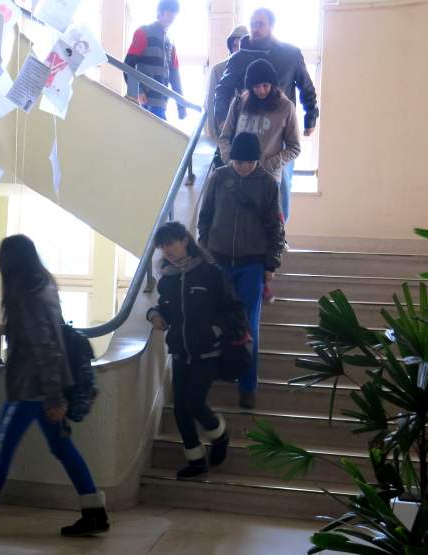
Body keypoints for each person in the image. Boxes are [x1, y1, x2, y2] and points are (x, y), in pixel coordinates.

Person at [0, 235, 110, 538]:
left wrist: (54, 397)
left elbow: (45, 347)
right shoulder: (44, 286)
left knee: (1, 449)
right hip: (42, 388)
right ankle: (94, 511)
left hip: (31, 390)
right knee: (62, 447)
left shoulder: (26, 295)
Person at [148, 222, 245, 479]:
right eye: (161, 245)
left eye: (170, 243)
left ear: (184, 241)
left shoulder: (210, 272)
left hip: (208, 352)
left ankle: (219, 434)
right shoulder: (167, 280)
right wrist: (154, 314)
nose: (166, 250)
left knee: (193, 403)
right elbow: (165, 308)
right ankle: (196, 461)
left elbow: (234, 309)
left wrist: (214, 330)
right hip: (180, 352)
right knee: (180, 410)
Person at [198, 133, 285, 409]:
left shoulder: (268, 184)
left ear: (256, 160)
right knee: (213, 322)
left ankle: (248, 386)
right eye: (238, 162)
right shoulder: (219, 179)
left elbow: (275, 227)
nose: (243, 167)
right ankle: (210, 377)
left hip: (251, 264)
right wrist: (205, 253)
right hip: (219, 261)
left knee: (248, 326)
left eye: (248, 162)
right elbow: (205, 218)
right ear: (231, 158)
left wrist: (270, 265)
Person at [213, 7, 319, 221]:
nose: (255, 28)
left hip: (278, 135)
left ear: (271, 25)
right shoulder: (238, 58)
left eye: (260, 23)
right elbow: (222, 89)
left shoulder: (290, 54)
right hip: (246, 132)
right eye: (252, 24)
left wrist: (310, 117)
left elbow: (306, 87)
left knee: (281, 186)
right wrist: (223, 119)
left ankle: (278, 237)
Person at [124, 0, 187, 121]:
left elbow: (175, 75)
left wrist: (181, 107)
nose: (173, 15)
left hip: (162, 103)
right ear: (160, 11)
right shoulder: (143, 32)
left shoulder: (171, 42)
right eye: (170, 11)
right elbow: (128, 65)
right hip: (144, 101)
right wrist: (138, 91)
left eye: (175, 12)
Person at [205, 25, 249, 141]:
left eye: (242, 45)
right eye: (235, 45)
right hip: (225, 129)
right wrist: (213, 133)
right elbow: (210, 103)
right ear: (230, 46)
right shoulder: (218, 69)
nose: (238, 49)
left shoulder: (256, 68)